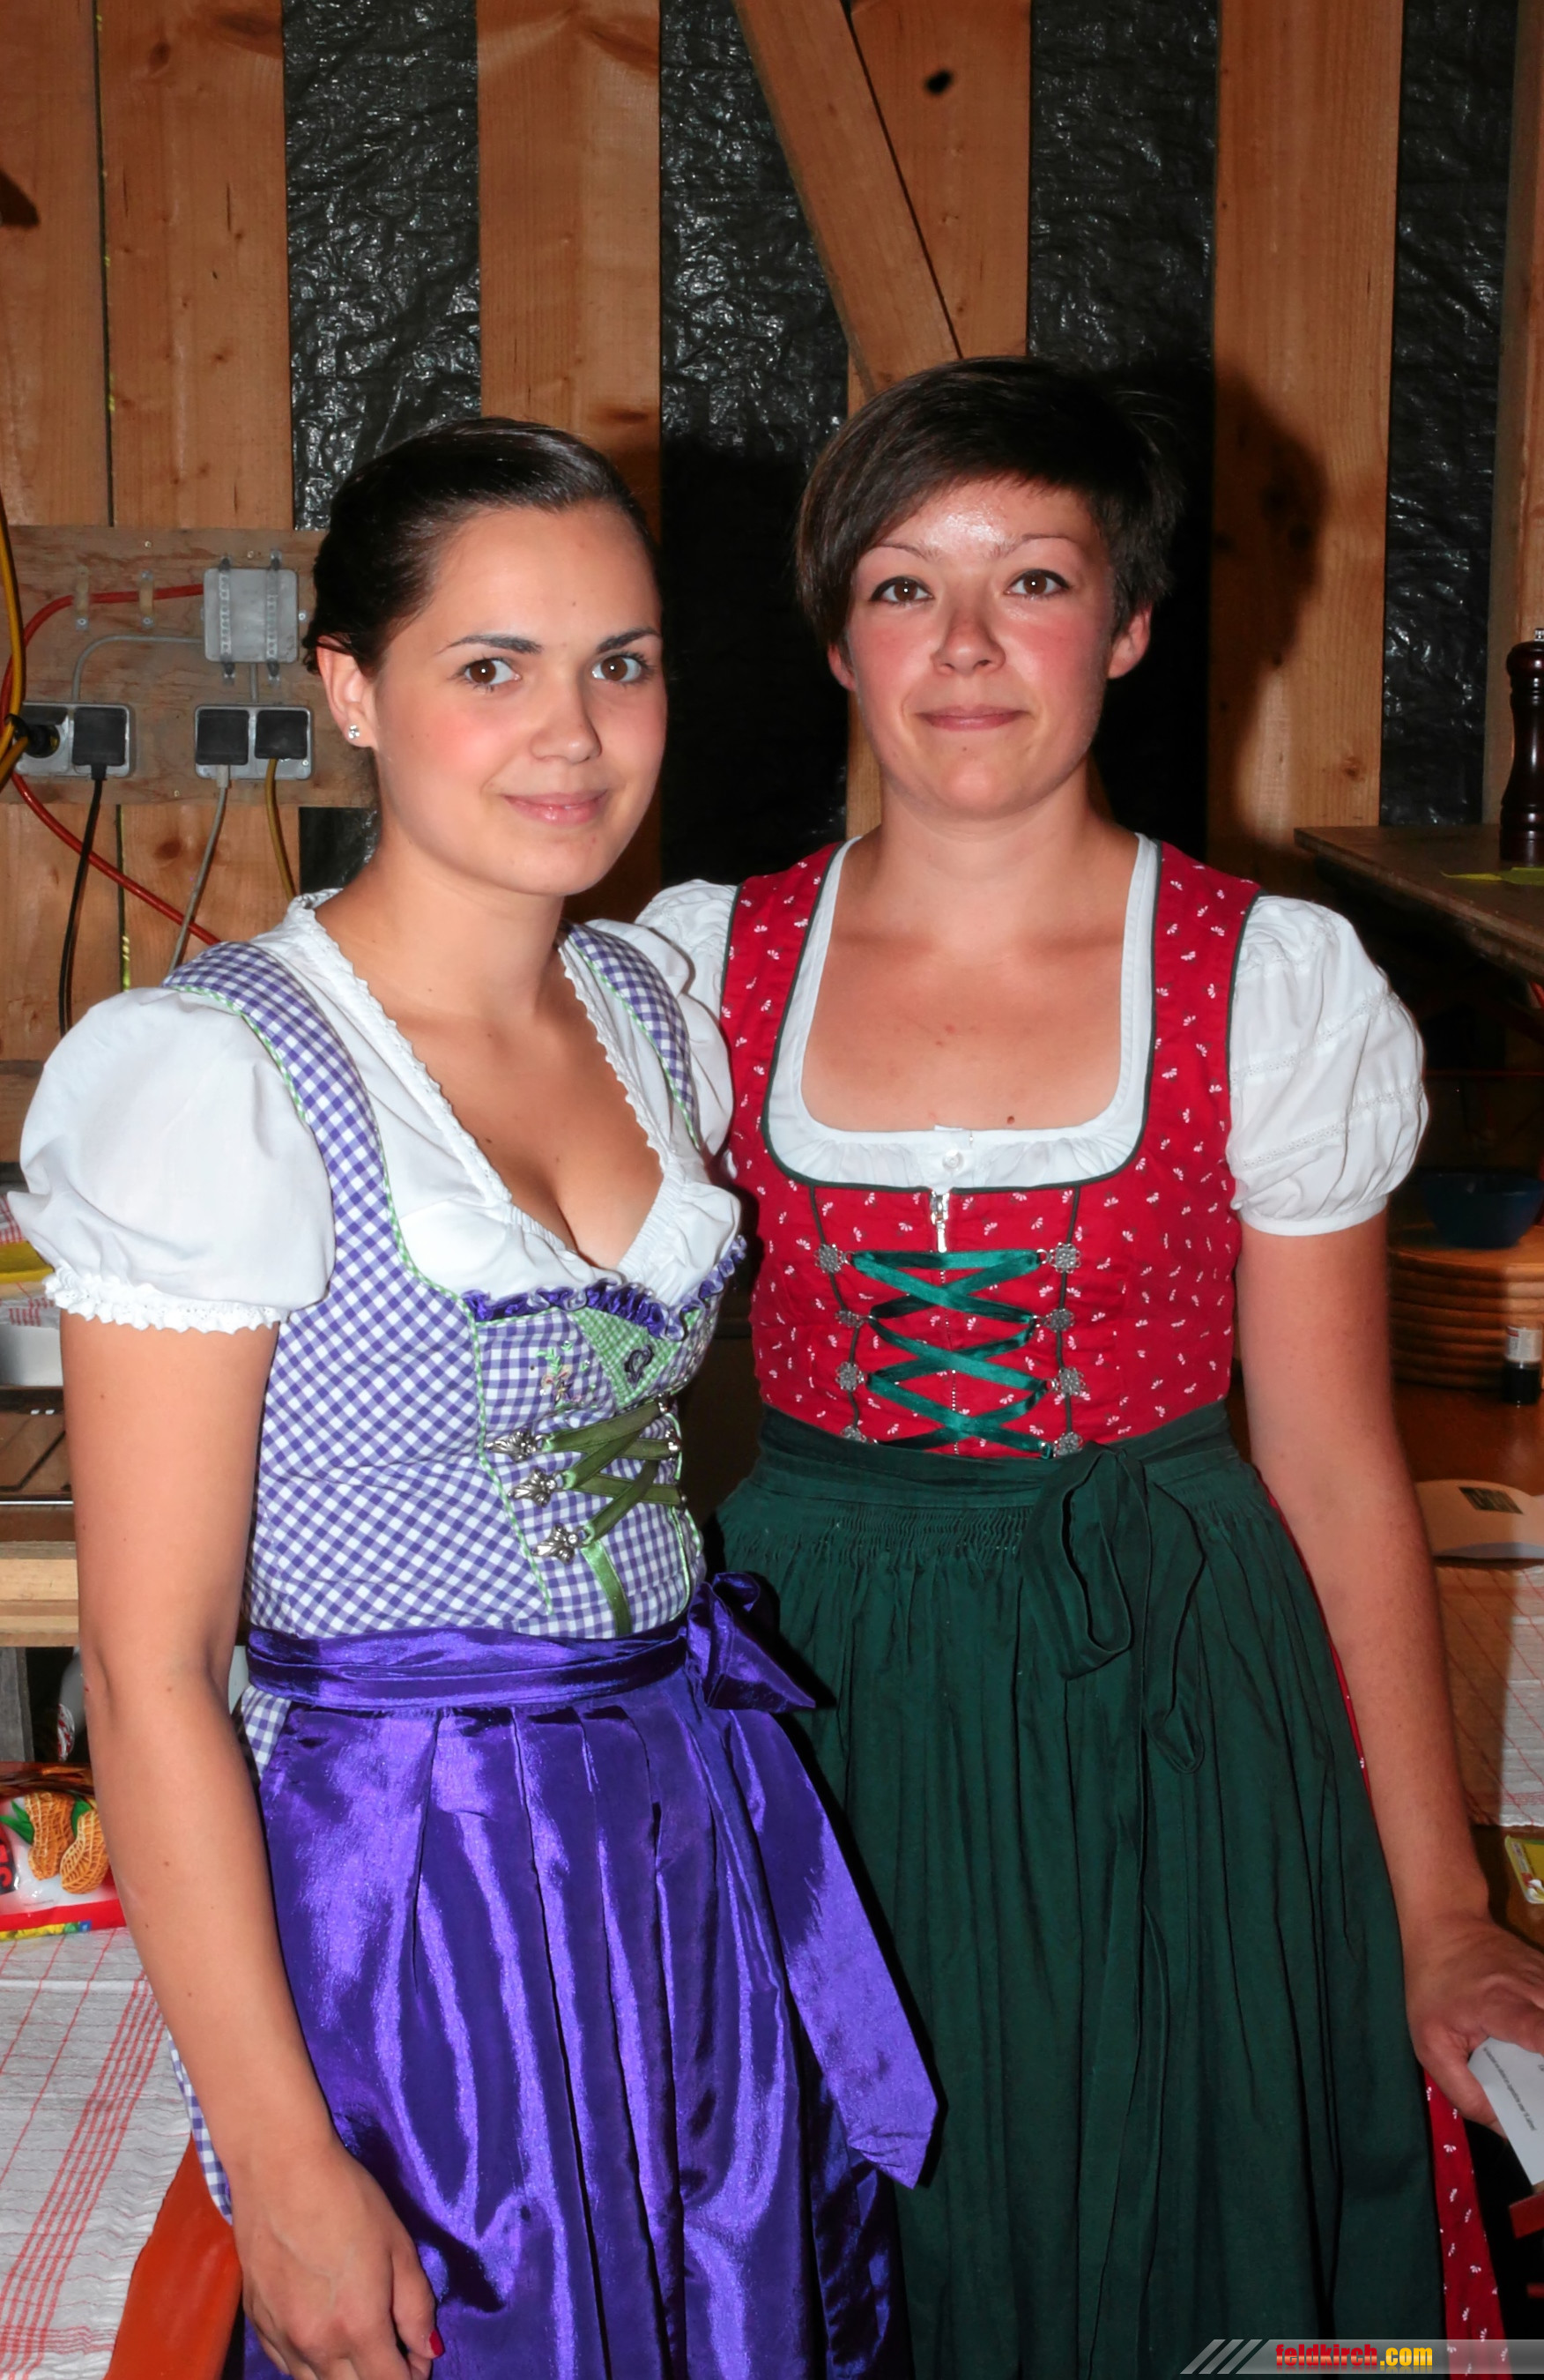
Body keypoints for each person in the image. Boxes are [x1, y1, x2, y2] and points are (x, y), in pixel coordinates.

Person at [631, 356, 1544, 2378]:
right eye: (904, 587)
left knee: (1164, 2205)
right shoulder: (696, 971)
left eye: (1032, 581)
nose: (965, 645)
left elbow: (1331, 1461)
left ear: (1125, 625)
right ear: (839, 637)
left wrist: (1442, 1908)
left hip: (1174, 1689)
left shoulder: (1269, 981)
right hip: (819, 1690)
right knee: (850, 2239)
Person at [17, 418, 933, 2380]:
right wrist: (283, 2164)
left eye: (621, 663)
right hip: (411, 1878)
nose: (574, 735)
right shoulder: (216, 1078)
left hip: (682, 1823)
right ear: (352, 688)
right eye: (492, 667)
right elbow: (152, 1668)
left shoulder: (646, 1010)